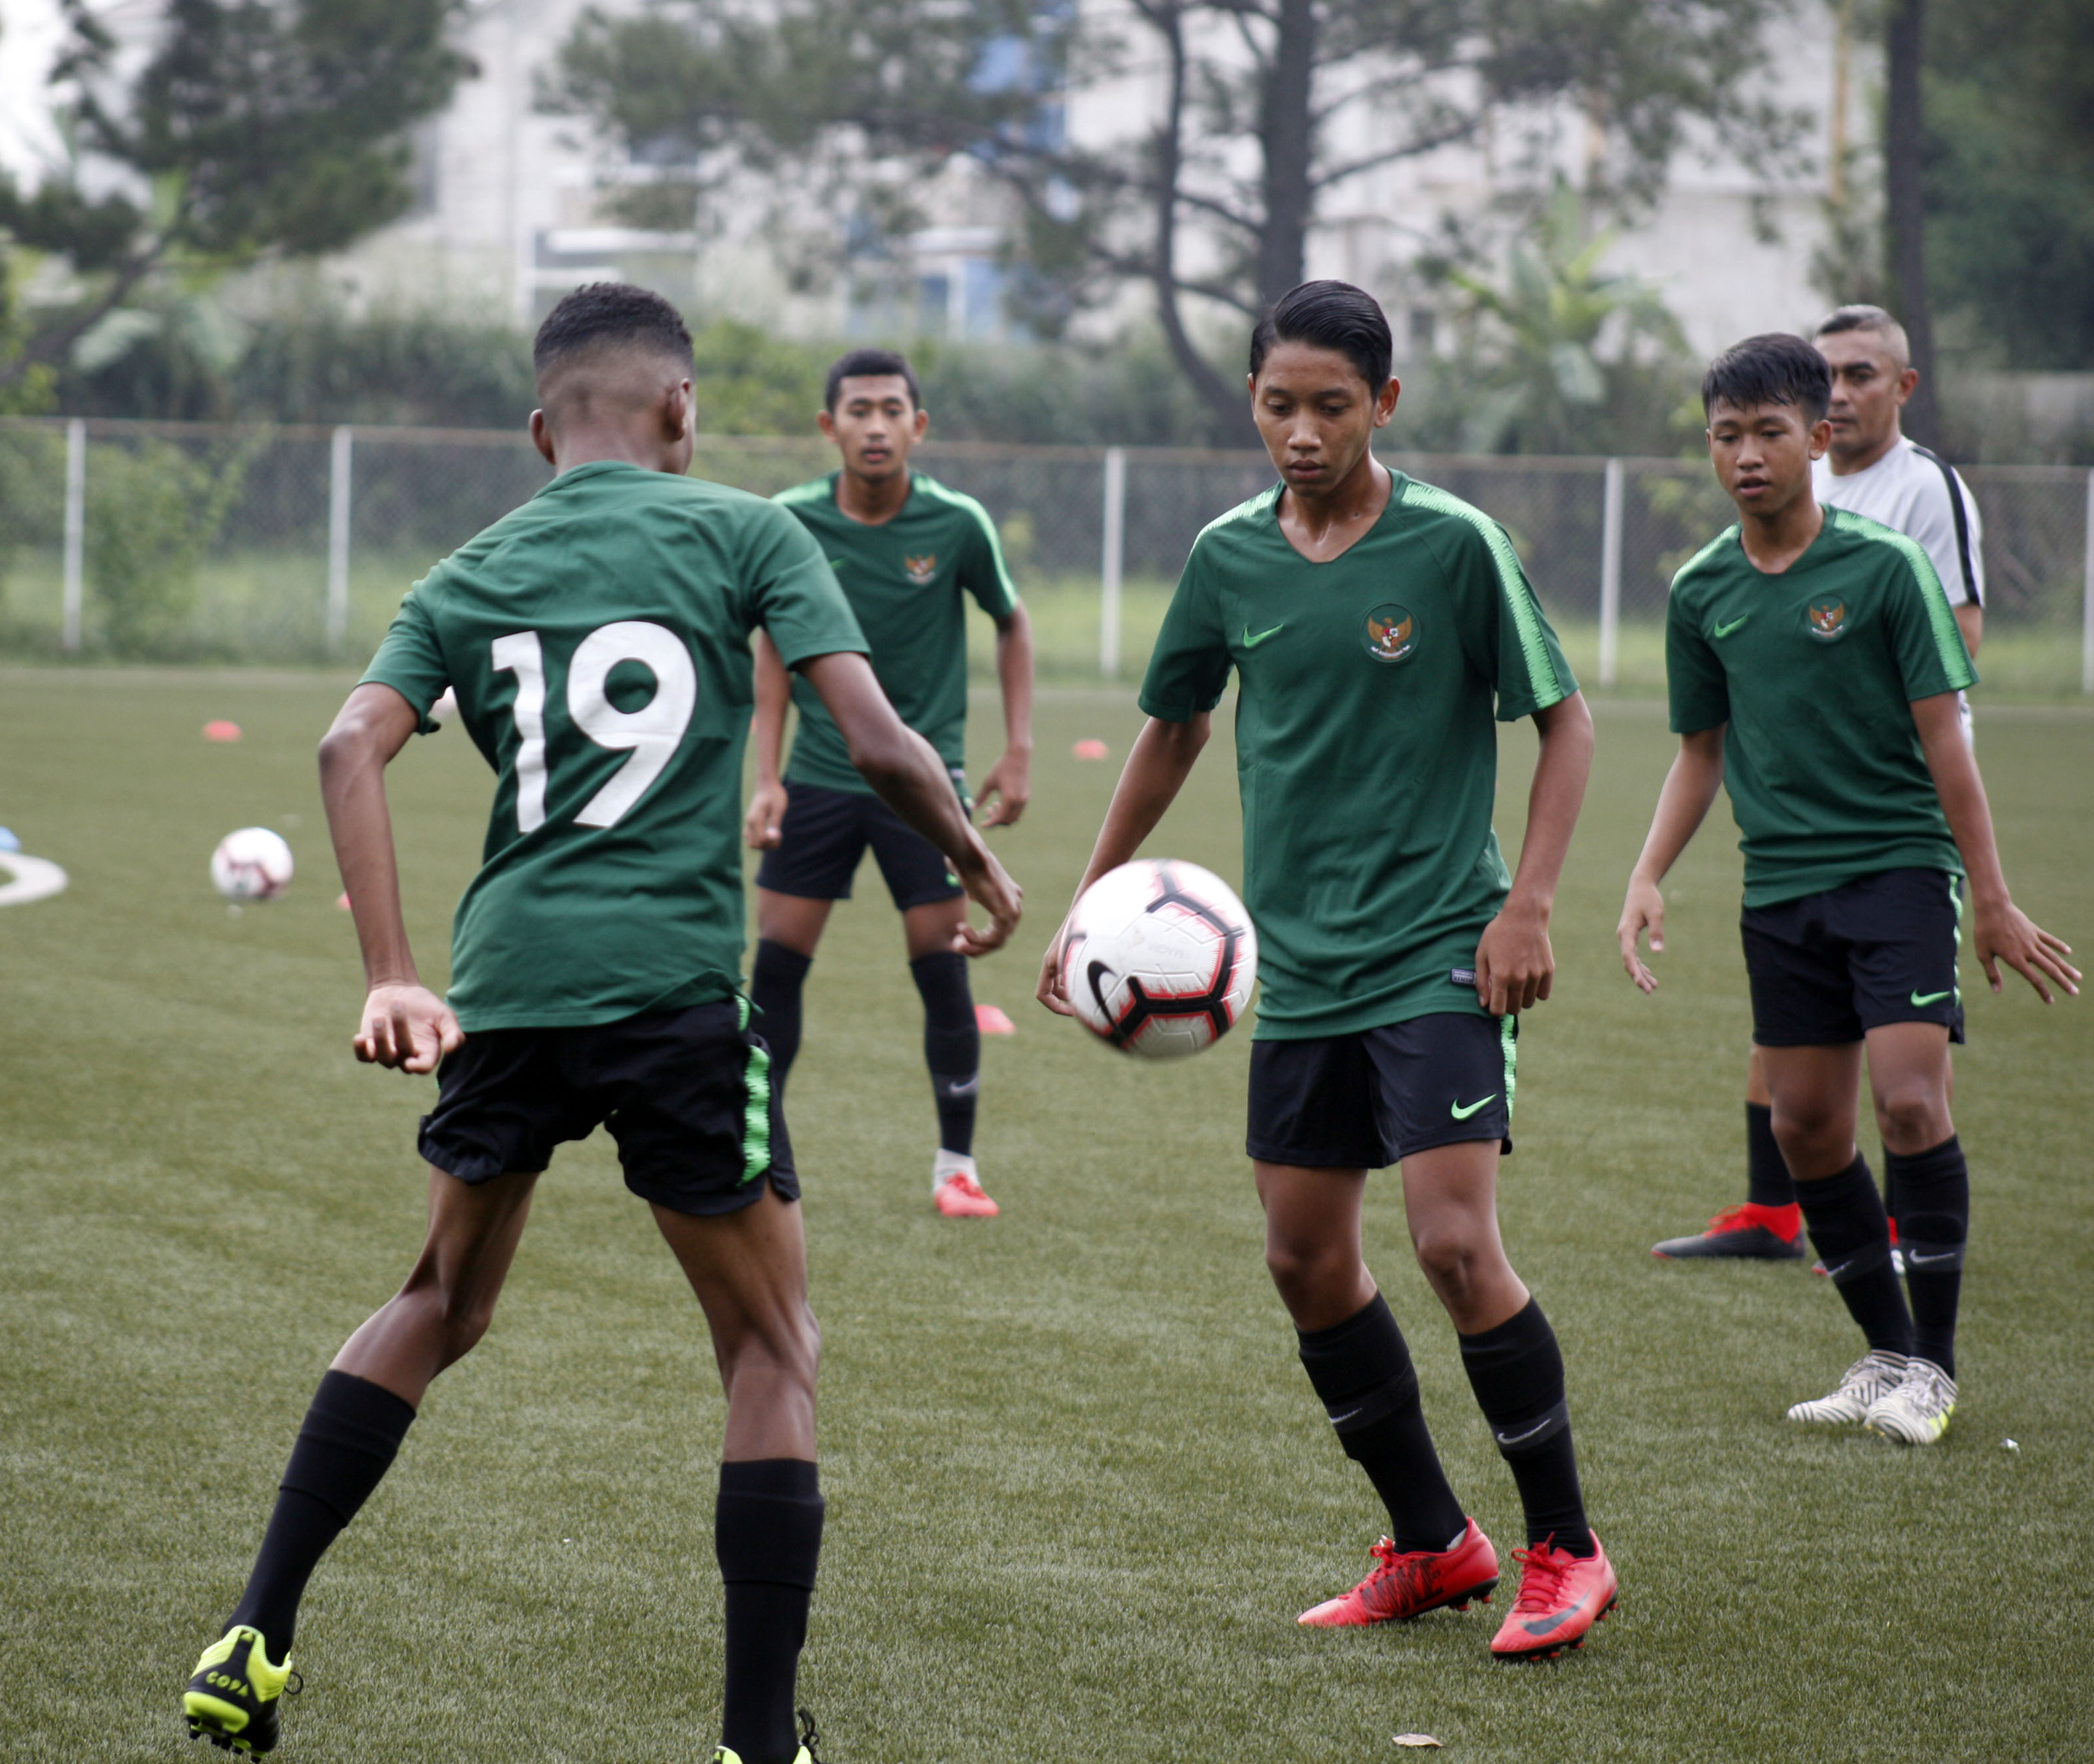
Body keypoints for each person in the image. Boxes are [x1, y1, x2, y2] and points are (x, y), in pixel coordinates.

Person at [178, 285, 1021, 1760]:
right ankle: (758, 1739)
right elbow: (875, 736)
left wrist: (390, 968)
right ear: (680, 413)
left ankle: (255, 1630)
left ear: (536, 427)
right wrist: (971, 852)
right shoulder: (750, 530)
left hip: (503, 991)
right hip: (671, 991)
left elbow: (342, 745)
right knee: (770, 1347)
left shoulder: (467, 569)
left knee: (438, 1303)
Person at [1035, 281, 1613, 1662]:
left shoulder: (1454, 547)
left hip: (1434, 949)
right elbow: (1171, 728)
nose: (1301, 432)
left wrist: (1525, 905)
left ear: (1384, 405)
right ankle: (1431, 1541)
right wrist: (1085, 903)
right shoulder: (1225, 557)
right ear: (1250, 402)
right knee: (1304, 1260)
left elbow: (1566, 722)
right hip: (1290, 964)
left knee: (1451, 1243)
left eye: (1331, 407)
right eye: (1278, 405)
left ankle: (1566, 1548)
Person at [1618, 333, 2075, 1446]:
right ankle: (1882, 1348)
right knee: (1806, 1125)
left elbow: (1946, 743)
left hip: (1897, 870)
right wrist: (1644, 873)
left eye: (1771, 432)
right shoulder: (1702, 590)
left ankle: (1938, 1368)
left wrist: (1995, 898)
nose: (1747, 456)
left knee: (1911, 1100)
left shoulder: (1882, 567)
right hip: (1779, 889)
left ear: (1819, 440)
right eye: (1727, 436)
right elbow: (1699, 751)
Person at [1652, 304, 1990, 1262]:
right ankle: (1776, 1215)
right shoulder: (1712, 578)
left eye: (1859, 373)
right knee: (1800, 1076)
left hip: (1898, 809)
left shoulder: (1921, 495)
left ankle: (1908, 1247)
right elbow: (1701, 743)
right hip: (1790, 839)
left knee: (1908, 1080)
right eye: (1830, 369)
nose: (1842, 386)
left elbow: (1953, 648)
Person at [746, 348, 1034, 1219]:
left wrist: (1018, 748)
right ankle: (755, 1151)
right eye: (859, 410)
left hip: (925, 784)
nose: (876, 426)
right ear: (829, 426)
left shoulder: (956, 524)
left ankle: (956, 1166)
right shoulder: (787, 522)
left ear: (919, 425)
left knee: (942, 972)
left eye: (892, 410)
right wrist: (767, 777)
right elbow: (769, 647)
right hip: (820, 780)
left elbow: (1012, 623)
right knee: (775, 975)